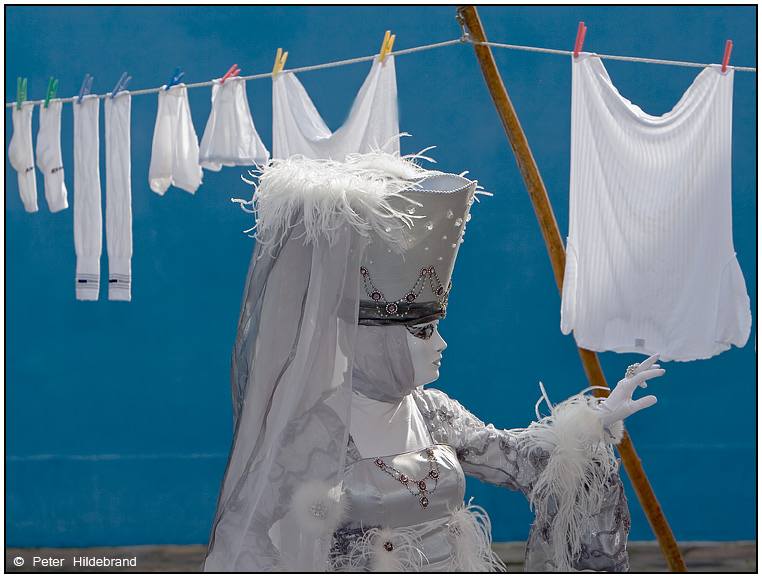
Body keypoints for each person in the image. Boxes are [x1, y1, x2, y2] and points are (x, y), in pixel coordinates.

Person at [202, 150, 663, 572]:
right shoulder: (318, 432)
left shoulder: (435, 411)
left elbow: (521, 459)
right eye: (423, 331)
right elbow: (240, 532)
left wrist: (594, 422)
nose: (441, 344)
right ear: (375, 342)